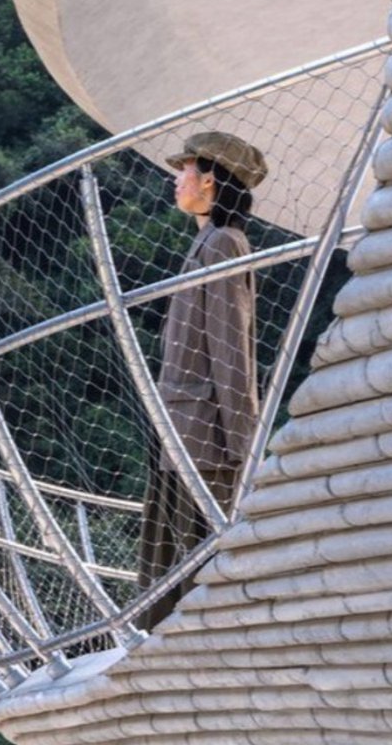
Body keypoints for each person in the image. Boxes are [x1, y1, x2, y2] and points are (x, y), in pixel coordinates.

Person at [137, 130, 266, 630]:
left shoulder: (224, 244)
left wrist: (244, 448)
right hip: (182, 432)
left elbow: (231, 350)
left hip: (207, 440)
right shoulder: (207, 241)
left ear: (209, 178)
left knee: (196, 566)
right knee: (172, 563)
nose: (176, 179)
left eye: (184, 169)